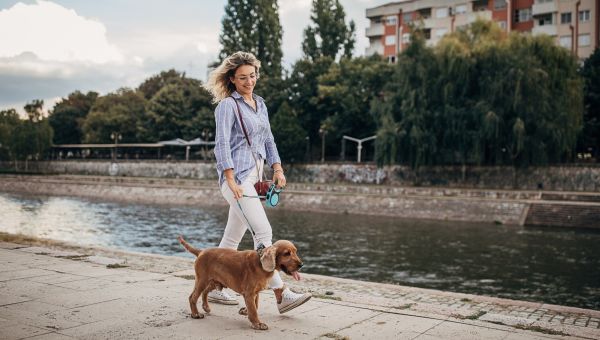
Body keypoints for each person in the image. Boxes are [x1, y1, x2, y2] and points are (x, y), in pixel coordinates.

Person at [204, 51, 311, 313]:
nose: (249, 81)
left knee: (231, 240)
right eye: (242, 78)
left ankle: (214, 288)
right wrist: (230, 179)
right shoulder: (227, 106)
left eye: (252, 76)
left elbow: (268, 139)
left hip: (256, 177)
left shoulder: (260, 103)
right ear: (232, 78)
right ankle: (281, 294)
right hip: (238, 181)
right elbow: (222, 144)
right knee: (263, 234)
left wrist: (278, 168)